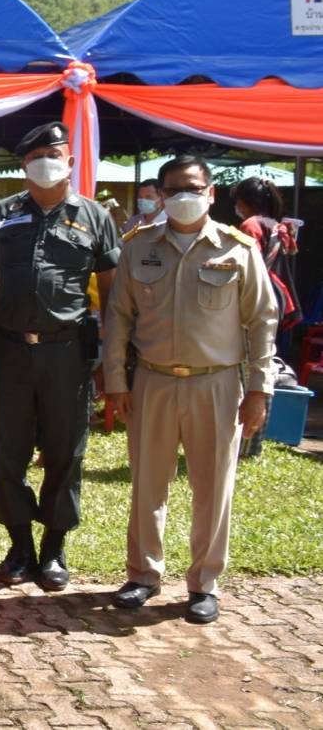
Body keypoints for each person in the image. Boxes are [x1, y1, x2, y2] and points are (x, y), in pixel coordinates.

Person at [103, 155, 277, 625]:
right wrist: (116, 381)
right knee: (147, 485)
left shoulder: (238, 249)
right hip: (152, 382)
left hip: (217, 384)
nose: (185, 196)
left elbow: (262, 321)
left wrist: (259, 389)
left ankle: (204, 584)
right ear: (160, 195)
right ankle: (142, 575)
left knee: (213, 488)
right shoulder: (138, 248)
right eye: (175, 188)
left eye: (195, 187)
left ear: (211, 193)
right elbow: (117, 318)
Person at [0, 122, 119, 592]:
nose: (45, 161)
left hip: (67, 354)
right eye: (34, 154)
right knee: (6, 452)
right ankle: (20, 545)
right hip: (10, 350)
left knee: (65, 451)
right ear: (22, 165)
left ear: (71, 160)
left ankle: (54, 549)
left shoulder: (95, 217)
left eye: (53, 152)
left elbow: (113, 297)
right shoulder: (2, 213)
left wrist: (109, 359)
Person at [231, 175, 301, 457]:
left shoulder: (250, 225)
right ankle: (253, 442)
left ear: (244, 201)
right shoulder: (278, 225)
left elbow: (247, 265)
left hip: (255, 299)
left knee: (250, 370)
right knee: (265, 365)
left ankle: (246, 443)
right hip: (277, 299)